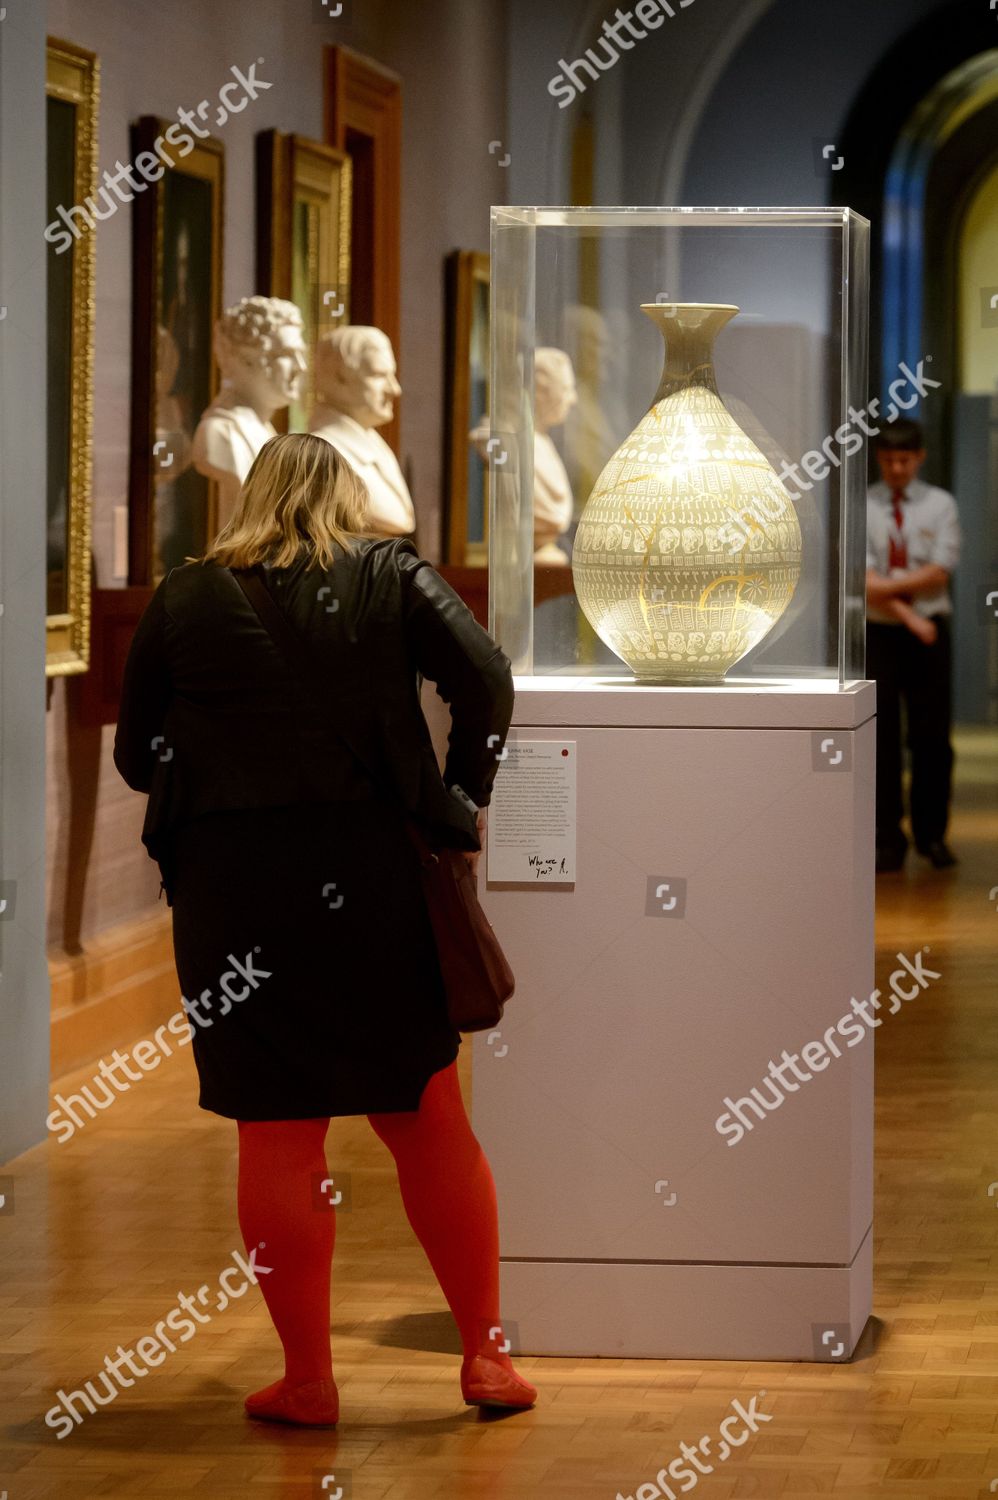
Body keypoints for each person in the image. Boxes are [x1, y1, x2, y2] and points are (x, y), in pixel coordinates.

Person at [113, 432, 536, 1427]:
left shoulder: (185, 597)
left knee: (276, 1131)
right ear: (342, 498)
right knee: (427, 1117)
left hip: (236, 890)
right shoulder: (389, 573)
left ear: (246, 499)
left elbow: (139, 753)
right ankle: (483, 1360)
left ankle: (309, 1380)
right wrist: (459, 798)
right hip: (376, 870)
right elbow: (485, 679)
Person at [865, 419, 961, 872]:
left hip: (930, 634)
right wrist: (907, 612)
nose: (896, 469)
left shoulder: (941, 505)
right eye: (887, 461)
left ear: (919, 457)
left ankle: (932, 835)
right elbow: (861, 581)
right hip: (882, 633)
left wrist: (890, 588)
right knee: (881, 739)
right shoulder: (862, 505)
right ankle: (887, 838)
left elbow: (940, 570)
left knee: (932, 739)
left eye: (904, 460)